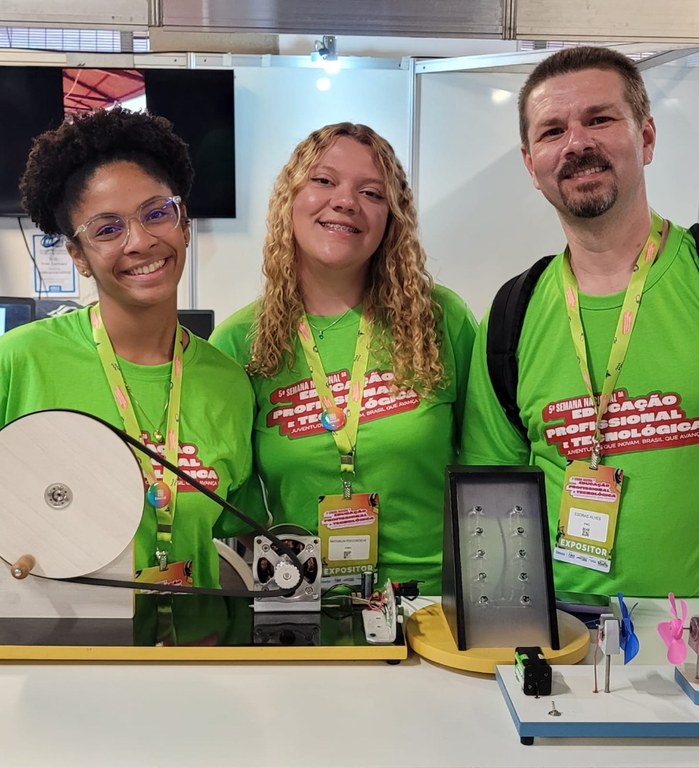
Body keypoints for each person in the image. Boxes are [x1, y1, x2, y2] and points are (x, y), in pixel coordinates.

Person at [462, 46, 699, 597]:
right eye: (552, 131)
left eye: (599, 119)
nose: (577, 143)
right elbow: (493, 503)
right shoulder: (511, 315)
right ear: (531, 165)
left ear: (646, 138)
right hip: (559, 630)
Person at [0, 106, 261, 590]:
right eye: (106, 229)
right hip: (51, 634)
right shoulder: (19, 362)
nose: (140, 241)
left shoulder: (228, 384)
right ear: (78, 256)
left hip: (193, 632)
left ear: (184, 224)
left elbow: (232, 525)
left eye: (156, 213)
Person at [211, 122, 477, 594]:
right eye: (323, 180)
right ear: (289, 199)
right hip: (307, 605)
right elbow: (238, 514)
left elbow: (485, 469)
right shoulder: (239, 342)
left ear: (391, 218)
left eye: (371, 193)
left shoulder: (440, 319)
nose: (346, 201)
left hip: (435, 602)